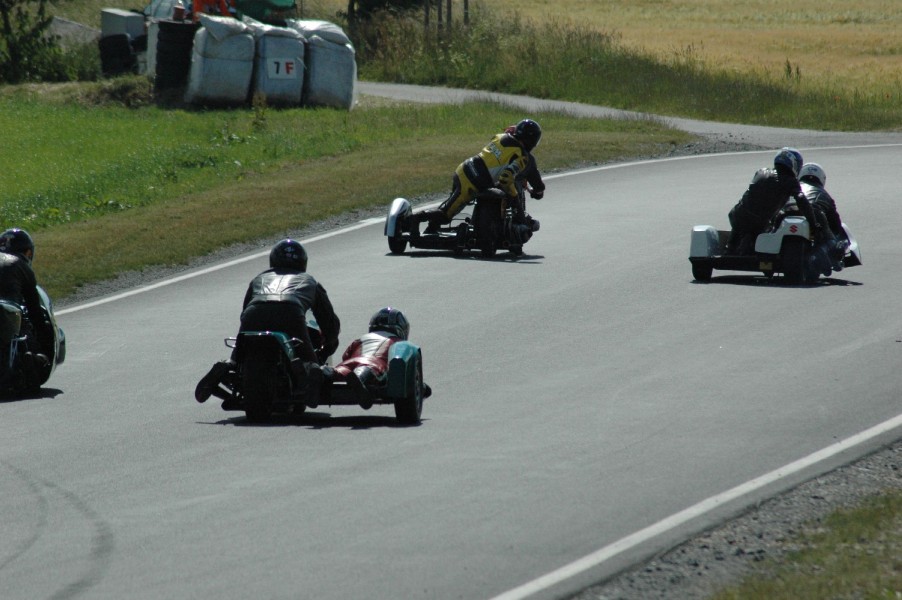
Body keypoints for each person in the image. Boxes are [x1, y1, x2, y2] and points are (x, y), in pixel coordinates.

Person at [195, 238, 341, 403]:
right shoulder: (311, 282)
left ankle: (228, 364)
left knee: (243, 344)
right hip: (291, 312)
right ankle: (311, 371)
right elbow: (327, 319)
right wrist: (330, 341)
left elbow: (245, 310)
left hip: (254, 312)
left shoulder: (259, 278)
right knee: (310, 361)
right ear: (303, 262)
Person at [409, 119, 547, 235]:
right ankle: (414, 218)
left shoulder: (500, 137)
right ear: (532, 141)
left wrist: (515, 129)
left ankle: (431, 228)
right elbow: (506, 179)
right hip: (475, 182)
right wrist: (522, 195)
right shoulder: (524, 158)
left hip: (464, 168)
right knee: (446, 215)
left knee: (448, 210)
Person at [725, 147, 822, 255]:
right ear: (794, 164)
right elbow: (801, 200)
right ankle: (754, 247)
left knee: (742, 217)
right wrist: (814, 223)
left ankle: (730, 246)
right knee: (772, 225)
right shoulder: (791, 181)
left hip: (737, 216)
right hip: (761, 223)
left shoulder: (761, 172)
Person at [331, 306, 430, 404]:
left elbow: (346, 356)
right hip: (373, 364)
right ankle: (359, 380)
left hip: (349, 364)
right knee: (367, 369)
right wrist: (422, 387)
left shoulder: (360, 339)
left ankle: (324, 374)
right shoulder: (398, 342)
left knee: (339, 371)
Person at [0, 228, 52, 376]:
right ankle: (37, 359)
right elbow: (35, 310)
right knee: (26, 327)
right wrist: (46, 344)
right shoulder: (21, 266)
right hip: (9, 312)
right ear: (28, 253)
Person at [798, 162, 848, 272]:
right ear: (821, 179)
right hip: (815, 215)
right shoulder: (825, 195)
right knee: (836, 239)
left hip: (787, 214)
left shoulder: (793, 188)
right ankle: (825, 253)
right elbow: (835, 223)